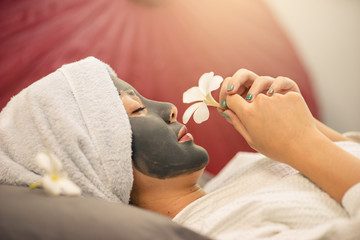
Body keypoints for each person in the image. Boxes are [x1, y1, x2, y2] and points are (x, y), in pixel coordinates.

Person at [1, 57, 359, 239]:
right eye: (137, 110)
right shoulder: (222, 229)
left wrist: (310, 127)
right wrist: (301, 145)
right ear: (101, 165)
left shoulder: (239, 172)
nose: (169, 107)